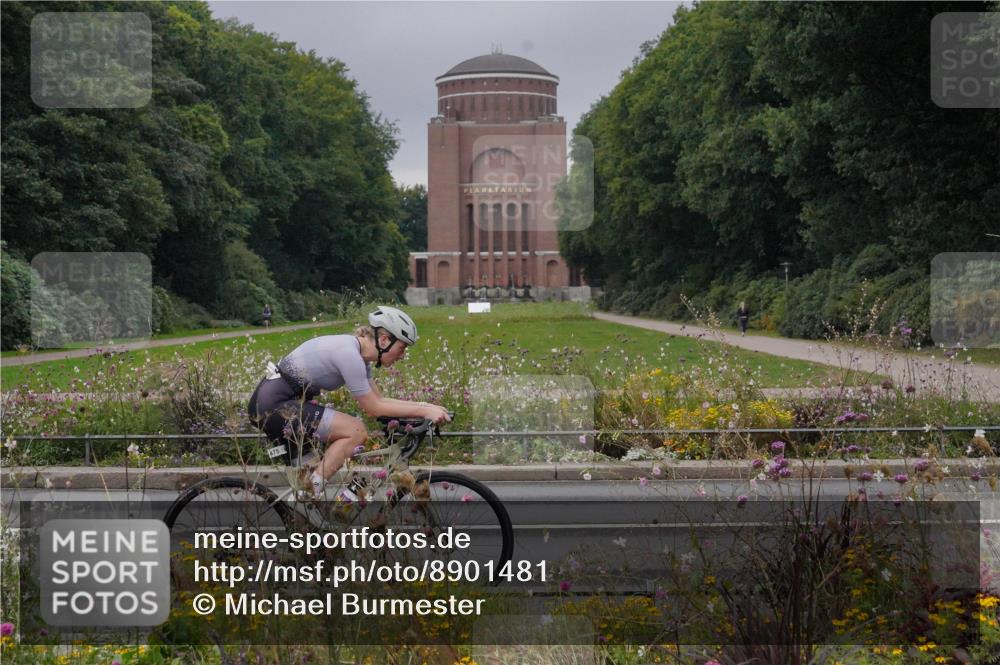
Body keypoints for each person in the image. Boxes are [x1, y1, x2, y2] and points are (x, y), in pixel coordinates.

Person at [247, 306, 451, 497]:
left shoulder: (359, 355)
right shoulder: (349, 354)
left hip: (280, 404)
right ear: (384, 340)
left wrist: (427, 407)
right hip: (274, 406)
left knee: (308, 492)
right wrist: (425, 412)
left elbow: (379, 399)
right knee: (356, 431)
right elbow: (374, 408)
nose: (403, 356)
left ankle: (307, 501)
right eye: (402, 347)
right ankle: (310, 493)